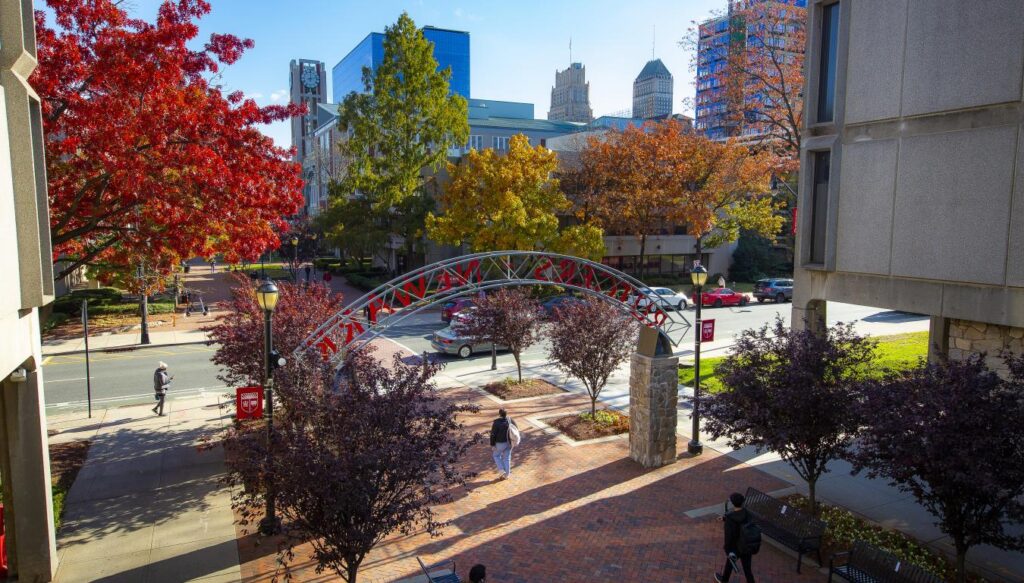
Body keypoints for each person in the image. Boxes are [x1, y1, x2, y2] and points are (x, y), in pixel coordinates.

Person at [716, 492, 756, 583]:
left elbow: (729, 536)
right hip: (746, 546)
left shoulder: (730, 518)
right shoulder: (747, 513)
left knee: (729, 564)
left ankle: (724, 580)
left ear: (733, 503)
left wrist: (727, 549)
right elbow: (741, 521)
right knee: (747, 569)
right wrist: (725, 518)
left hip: (735, 547)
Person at [489, 409, 518, 479]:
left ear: (499, 414)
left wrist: (492, 444)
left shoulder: (496, 423)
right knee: (507, 458)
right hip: (509, 443)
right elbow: (516, 429)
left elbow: (493, 435)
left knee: (496, 455)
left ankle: (501, 470)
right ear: (506, 414)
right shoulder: (510, 420)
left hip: (499, 444)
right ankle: (506, 475)